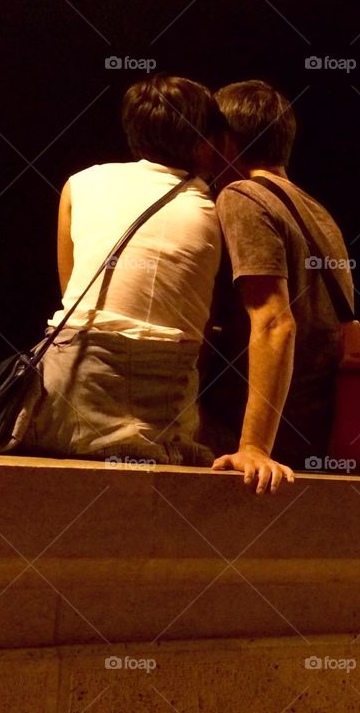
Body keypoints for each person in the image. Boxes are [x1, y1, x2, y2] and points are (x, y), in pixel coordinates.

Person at [19, 75, 223, 465]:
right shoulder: (213, 206)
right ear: (202, 140)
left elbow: (72, 297)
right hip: (162, 408)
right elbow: (204, 324)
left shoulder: (79, 184)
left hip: (69, 393)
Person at [204, 80, 354, 494]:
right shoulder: (316, 210)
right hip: (321, 429)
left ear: (227, 141)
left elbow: (275, 322)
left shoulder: (242, 196)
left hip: (277, 435)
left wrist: (254, 446)